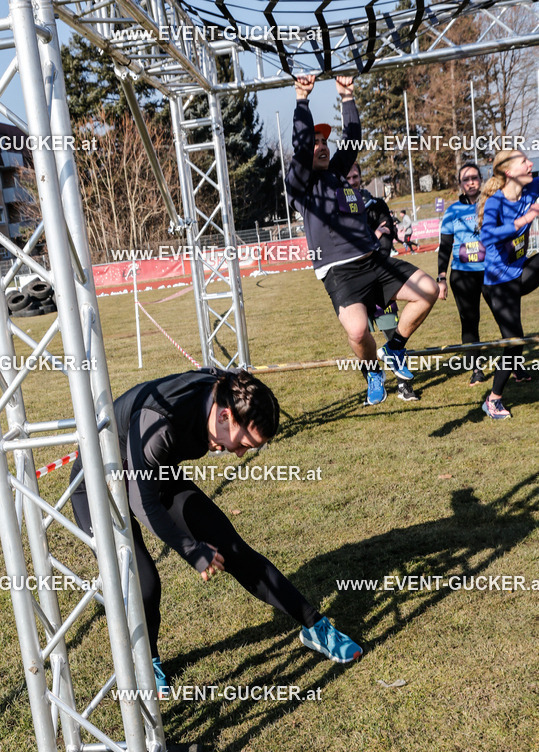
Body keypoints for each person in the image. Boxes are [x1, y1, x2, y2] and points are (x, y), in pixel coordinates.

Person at [70, 369, 362, 695]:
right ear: (224, 415)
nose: (239, 454)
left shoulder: (225, 389)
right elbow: (142, 502)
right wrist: (192, 550)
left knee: (232, 548)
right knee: (142, 580)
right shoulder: (162, 423)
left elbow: (235, 380)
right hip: (96, 486)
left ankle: (314, 626)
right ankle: (145, 659)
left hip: (153, 473)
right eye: (243, 444)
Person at [286, 74, 438, 406]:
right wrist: (302, 99)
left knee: (429, 290)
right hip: (340, 274)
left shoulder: (338, 173)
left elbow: (353, 139)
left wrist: (347, 95)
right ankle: (372, 371)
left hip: (374, 261)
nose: (322, 146)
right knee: (357, 332)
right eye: (316, 142)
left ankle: (395, 346)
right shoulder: (299, 183)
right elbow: (300, 147)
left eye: (325, 141)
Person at [346, 163, 418, 401]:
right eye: (348, 177)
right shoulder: (338, 211)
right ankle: (374, 382)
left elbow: (386, 244)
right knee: (360, 339)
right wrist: (371, 236)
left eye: (356, 176)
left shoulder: (376, 205)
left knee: (392, 334)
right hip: (353, 285)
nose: (353, 180)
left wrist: (372, 240)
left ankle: (404, 387)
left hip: (380, 280)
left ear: (360, 177)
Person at [478, 149, 539, 419]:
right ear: (509, 172)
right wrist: (525, 218)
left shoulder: (531, 188)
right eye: (524, 161)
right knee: (514, 343)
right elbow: (488, 235)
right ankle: (493, 400)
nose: (530, 163)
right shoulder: (495, 203)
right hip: (498, 284)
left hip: (520, 273)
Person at [437, 162, 492, 385]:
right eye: (466, 179)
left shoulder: (491, 204)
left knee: (505, 319)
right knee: (470, 322)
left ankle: (515, 366)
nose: (471, 182)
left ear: (481, 179)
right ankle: (476, 370)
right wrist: (441, 277)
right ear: (460, 184)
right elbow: (445, 247)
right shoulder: (452, 212)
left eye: (474, 178)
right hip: (463, 275)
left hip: (491, 273)